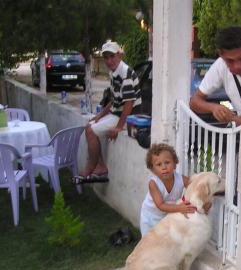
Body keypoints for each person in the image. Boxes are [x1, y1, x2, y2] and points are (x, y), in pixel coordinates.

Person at [78, 41, 142, 181]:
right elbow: (114, 100)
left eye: (112, 56)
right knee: (89, 125)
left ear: (119, 55)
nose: (109, 60)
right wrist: (99, 115)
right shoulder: (114, 72)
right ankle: (100, 166)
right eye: (106, 57)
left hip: (130, 117)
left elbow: (129, 103)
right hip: (118, 113)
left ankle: (92, 166)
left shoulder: (126, 73)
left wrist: (119, 127)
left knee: (90, 131)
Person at [190, 26, 241, 125]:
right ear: (221, 55)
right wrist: (214, 108)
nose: (237, 66)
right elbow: (194, 102)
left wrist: (236, 120)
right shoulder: (220, 65)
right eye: (230, 61)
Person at [140, 143, 197, 236]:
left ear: (175, 164)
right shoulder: (153, 184)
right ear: (152, 170)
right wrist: (179, 208)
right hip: (150, 216)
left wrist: (204, 202)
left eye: (167, 162)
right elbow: (160, 205)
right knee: (149, 241)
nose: (164, 167)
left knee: (164, 240)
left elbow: (195, 187)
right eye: (159, 164)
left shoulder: (181, 179)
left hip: (167, 215)